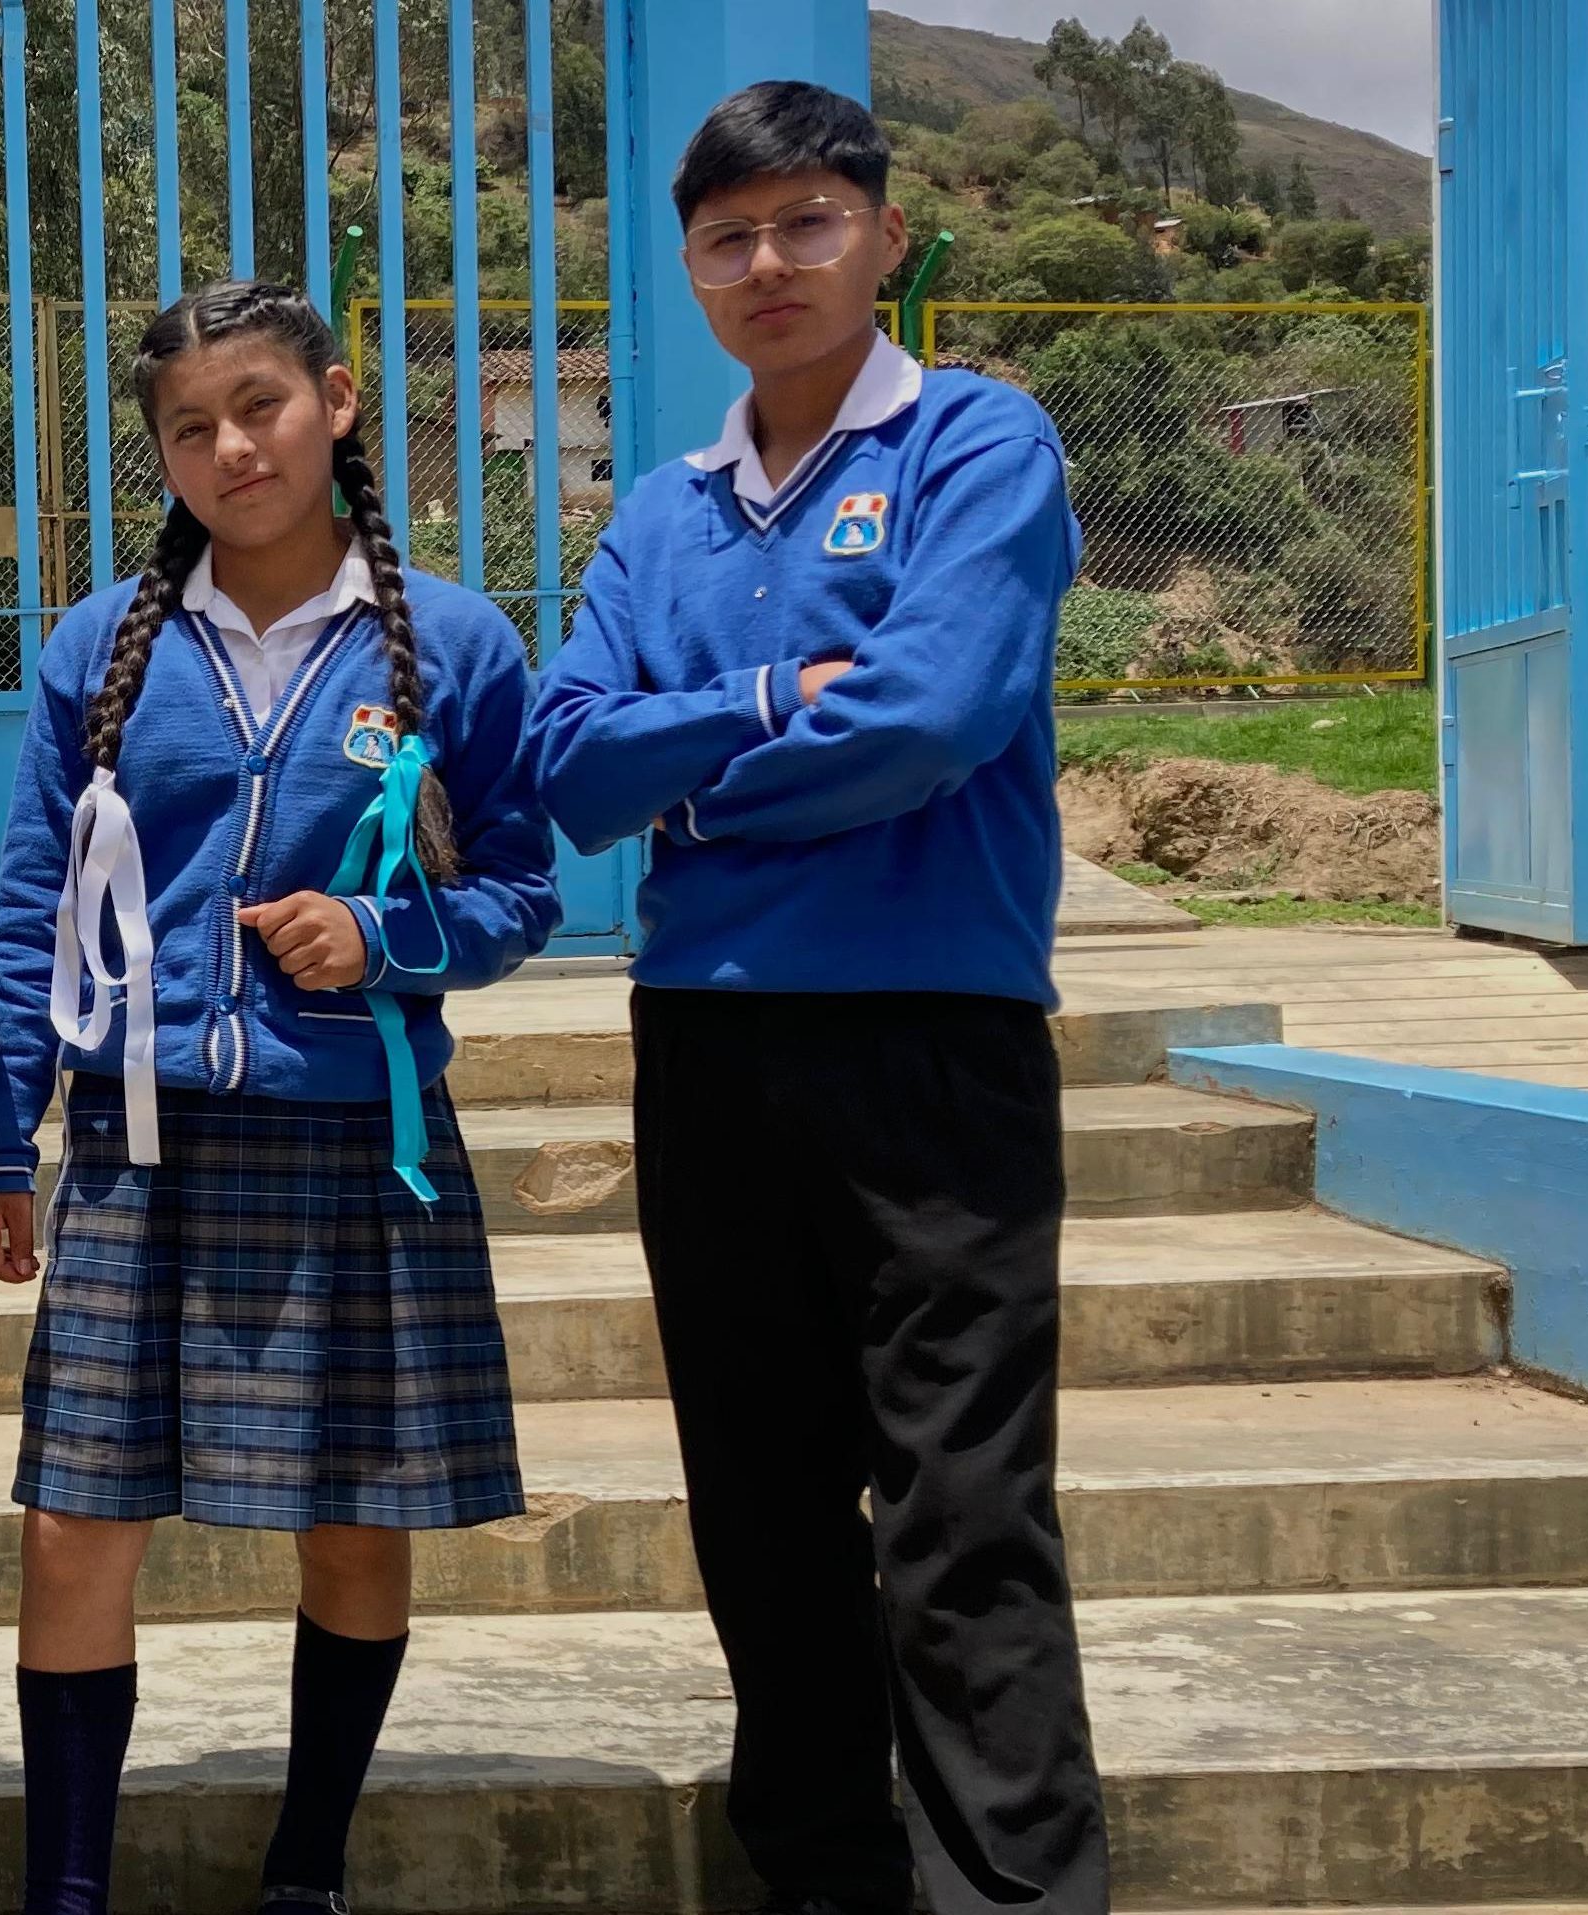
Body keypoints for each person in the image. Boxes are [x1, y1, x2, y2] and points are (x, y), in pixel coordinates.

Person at [524, 81, 1107, 1915]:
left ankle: (1010, 1895)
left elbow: (937, 712)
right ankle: (826, 1877)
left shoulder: (977, 446)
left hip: (932, 1040)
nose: (767, 264)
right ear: (690, 268)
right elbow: (568, 760)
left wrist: (691, 783)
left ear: (885, 236)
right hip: (709, 1043)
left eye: (806, 223)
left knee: (963, 1507)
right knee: (760, 1505)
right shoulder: (666, 512)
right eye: (728, 237)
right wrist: (776, 706)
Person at [0, 278, 563, 1915]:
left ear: (337, 403)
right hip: (139, 1140)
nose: (229, 448)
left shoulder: (453, 644)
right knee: (73, 1519)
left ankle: (308, 1869)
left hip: (354, 1137)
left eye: (259, 407)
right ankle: (67, 1890)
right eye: (188, 428)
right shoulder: (100, 646)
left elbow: (519, 890)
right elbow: (31, 907)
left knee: (355, 1520)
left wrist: (382, 938)